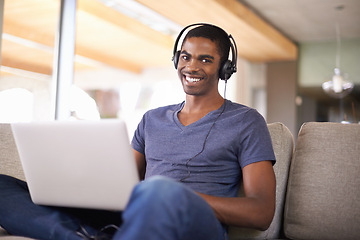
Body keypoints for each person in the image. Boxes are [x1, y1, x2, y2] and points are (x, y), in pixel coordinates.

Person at [0, 23, 276, 240]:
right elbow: (123, 188)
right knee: (3, 186)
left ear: (225, 69)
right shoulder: (151, 119)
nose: (191, 66)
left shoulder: (246, 121)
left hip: (198, 225)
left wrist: (175, 195)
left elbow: (261, 212)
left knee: (156, 189)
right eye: (185, 56)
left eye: (205, 59)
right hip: (139, 213)